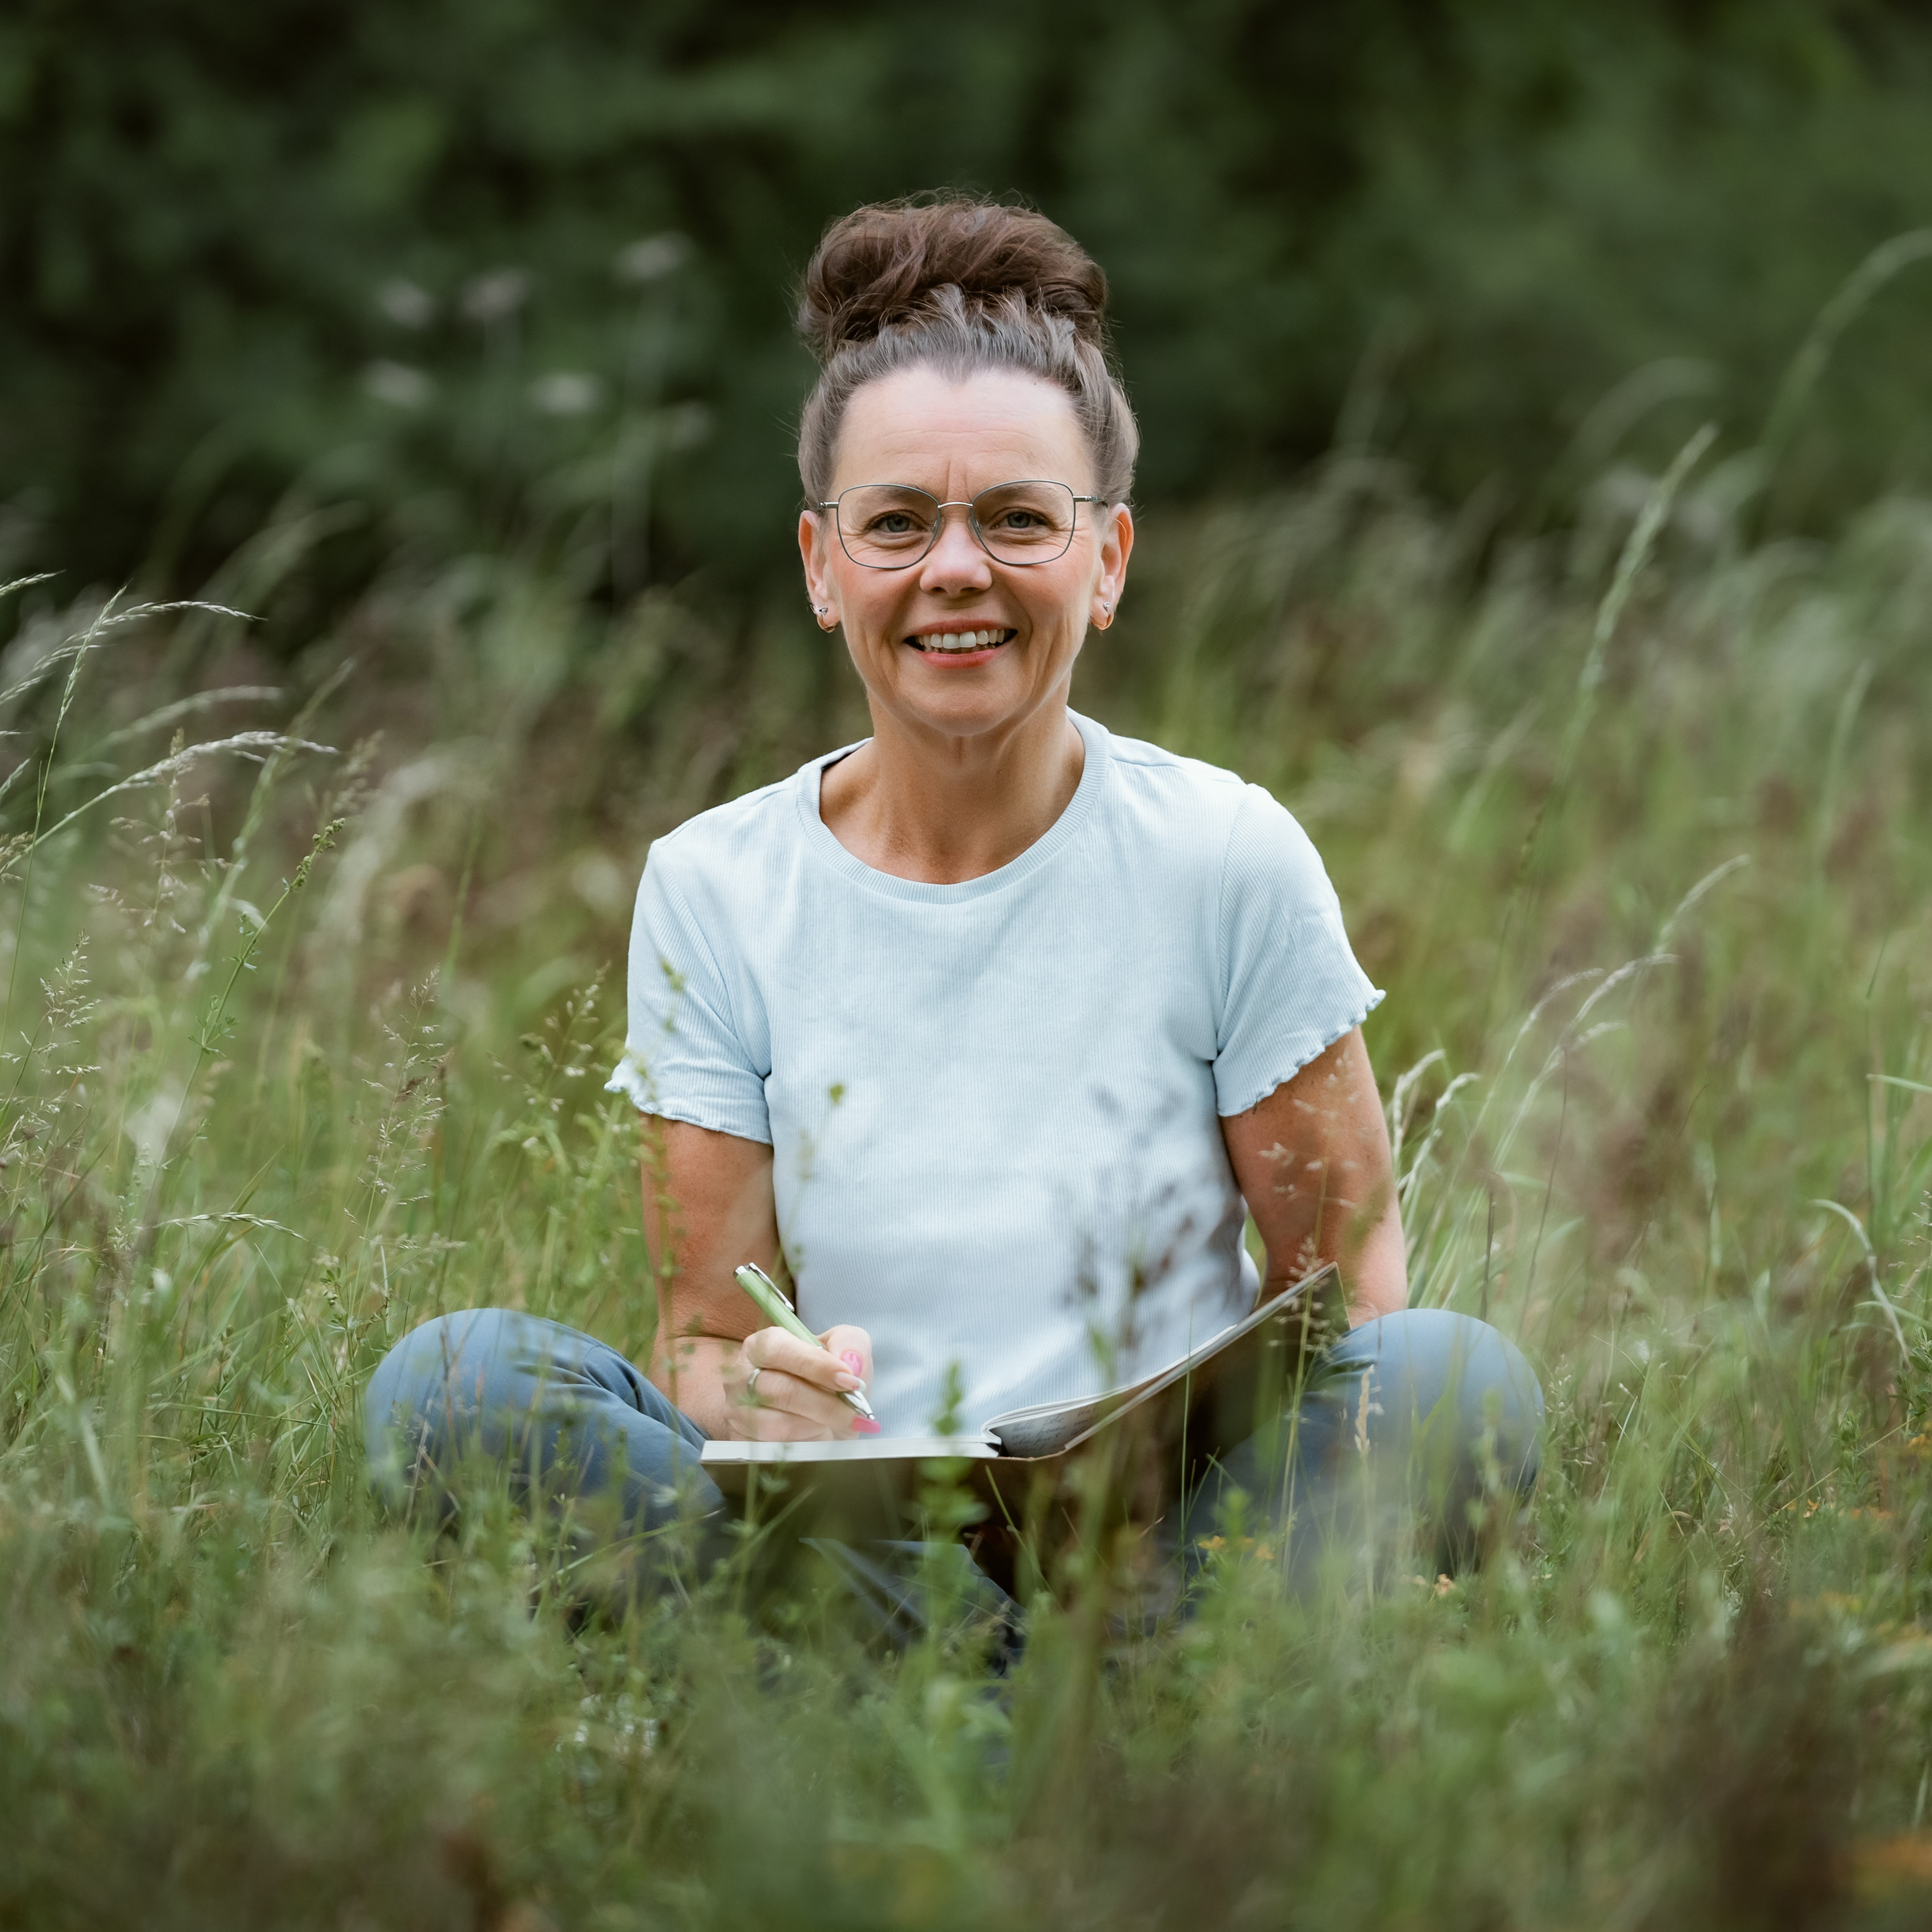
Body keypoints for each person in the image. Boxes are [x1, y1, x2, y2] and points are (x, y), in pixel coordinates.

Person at [366, 196, 1542, 1612]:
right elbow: (696, 1342)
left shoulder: (1228, 853)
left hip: (1164, 1537)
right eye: (900, 523)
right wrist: (757, 1394)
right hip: (856, 1541)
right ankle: (1027, 1700)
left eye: (1017, 519)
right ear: (822, 565)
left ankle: (966, 1687)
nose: (956, 570)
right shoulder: (714, 885)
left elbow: (1349, 1306)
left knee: (1454, 1379)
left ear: (1106, 562)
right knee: (451, 1385)